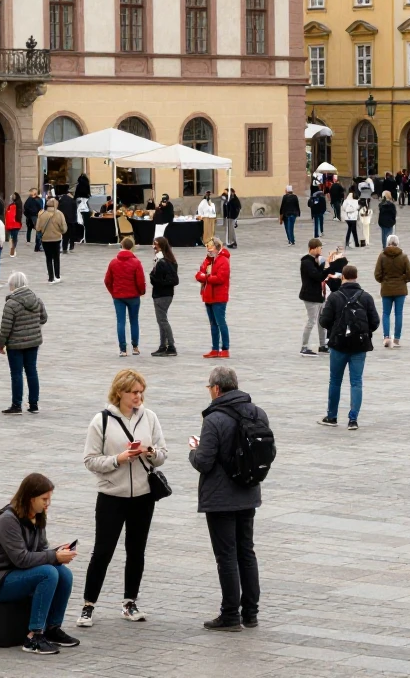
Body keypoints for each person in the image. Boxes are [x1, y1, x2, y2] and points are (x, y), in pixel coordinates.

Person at [79, 368, 167, 628]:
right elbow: (90, 460)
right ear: (120, 393)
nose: (139, 396)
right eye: (134, 392)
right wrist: (117, 460)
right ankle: (88, 605)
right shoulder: (101, 421)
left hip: (143, 495)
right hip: (111, 495)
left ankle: (130, 601)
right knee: (103, 551)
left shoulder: (149, 417)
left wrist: (148, 451)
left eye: (141, 392)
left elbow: (162, 453)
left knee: (136, 550)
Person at [188, 365, 268, 631]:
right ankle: (251, 614)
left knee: (226, 556)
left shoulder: (214, 419)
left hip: (221, 498)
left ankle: (230, 614)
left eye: (209, 388)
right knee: (247, 552)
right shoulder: (257, 412)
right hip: (248, 492)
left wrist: (194, 450)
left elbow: (204, 462)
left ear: (217, 389)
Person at [0, 473, 79, 654]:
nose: (48, 503)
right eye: (44, 499)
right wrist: (53, 555)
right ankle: (34, 636)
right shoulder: (7, 521)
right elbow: (21, 559)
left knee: (64, 573)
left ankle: (52, 628)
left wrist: (56, 552)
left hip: (15, 573)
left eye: (49, 498)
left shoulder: (37, 517)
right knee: (49, 572)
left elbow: (40, 551)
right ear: (30, 498)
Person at [317, 264, 379, 429]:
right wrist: (363, 332)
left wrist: (335, 329)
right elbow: (375, 322)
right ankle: (353, 419)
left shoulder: (335, 297)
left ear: (342, 277)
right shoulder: (366, 297)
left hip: (338, 344)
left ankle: (332, 416)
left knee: (335, 381)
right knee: (356, 382)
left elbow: (323, 321)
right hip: (359, 345)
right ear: (356, 276)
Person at [0, 271, 46, 414]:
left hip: (15, 344)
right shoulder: (36, 299)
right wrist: (33, 327)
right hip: (33, 341)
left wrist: (2, 344)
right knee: (32, 371)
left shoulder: (11, 303)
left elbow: (6, 327)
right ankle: (34, 404)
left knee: (16, 373)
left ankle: (16, 404)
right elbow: (44, 318)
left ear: (12, 285)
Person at [104, 236, 146, 358]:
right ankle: (135, 347)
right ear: (132, 247)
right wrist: (141, 292)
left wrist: (113, 292)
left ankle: (123, 349)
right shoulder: (136, 262)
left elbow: (107, 280)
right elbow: (140, 281)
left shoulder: (113, 262)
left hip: (118, 296)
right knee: (134, 321)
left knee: (120, 322)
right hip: (133, 296)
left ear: (121, 245)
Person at [374, 234, 410, 348]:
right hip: (400, 289)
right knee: (398, 313)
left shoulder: (382, 256)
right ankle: (396, 339)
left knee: (386, 313)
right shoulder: (403, 256)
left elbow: (377, 274)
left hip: (386, 288)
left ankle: (386, 337)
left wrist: (383, 280)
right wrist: (403, 279)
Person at [197, 238, 231, 359]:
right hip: (208, 296)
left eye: (210, 248)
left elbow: (220, 279)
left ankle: (225, 348)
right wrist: (206, 276)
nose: (208, 251)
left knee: (221, 323)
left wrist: (206, 277)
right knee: (213, 324)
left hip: (219, 297)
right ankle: (215, 348)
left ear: (217, 248)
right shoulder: (208, 260)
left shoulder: (223, 261)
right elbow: (198, 274)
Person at [298, 238, 332, 356]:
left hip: (319, 295)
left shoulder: (315, 261)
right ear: (314, 248)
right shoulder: (307, 262)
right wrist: (327, 268)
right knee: (311, 321)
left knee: (322, 321)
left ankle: (323, 345)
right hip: (310, 296)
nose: (321, 250)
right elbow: (318, 276)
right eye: (320, 248)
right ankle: (304, 346)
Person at [149, 236, 180, 357]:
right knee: (161, 320)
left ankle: (170, 345)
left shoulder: (162, 262)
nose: (153, 247)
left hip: (160, 294)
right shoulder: (171, 260)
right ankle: (163, 345)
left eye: (155, 244)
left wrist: (152, 276)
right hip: (167, 294)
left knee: (162, 320)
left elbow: (156, 278)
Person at [36, 197, 67, 284]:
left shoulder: (42, 214)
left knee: (48, 258)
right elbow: (64, 228)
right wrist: (59, 231)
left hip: (45, 239)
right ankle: (57, 276)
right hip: (56, 239)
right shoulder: (59, 214)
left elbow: (38, 228)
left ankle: (51, 277)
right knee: (56, 257)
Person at [57, 189, 77, 254]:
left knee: (62, 235)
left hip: (62, 220)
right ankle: (68, 247)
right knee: (69, 235)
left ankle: (62, 247)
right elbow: (74, 211)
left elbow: (59, 210)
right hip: (71, 220)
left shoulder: (61, 200)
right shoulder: (72, 201)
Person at [5, 192, 23, 258]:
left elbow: (10, 215)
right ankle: (12, 250)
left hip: (13, 224)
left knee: (12, 238)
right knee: (13, 238)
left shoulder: (14, 205)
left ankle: (12, 250)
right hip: (14, 224)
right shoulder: (17, 205)